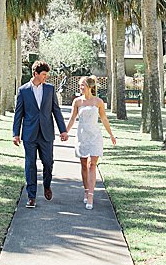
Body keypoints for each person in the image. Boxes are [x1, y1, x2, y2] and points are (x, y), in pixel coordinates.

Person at [12, 60, 68, 208]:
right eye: (43, 75)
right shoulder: (23, 91)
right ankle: (31, 196)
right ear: (35, 74)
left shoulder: (50, 89)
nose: (45, 77)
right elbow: (19, 113)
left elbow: (56, 110)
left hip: (46, 133)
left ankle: (47, 185)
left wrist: (63, 130)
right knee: (30, 164)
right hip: (29, 134)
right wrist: (15, 133)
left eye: (46, 75)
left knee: (48, 163)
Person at [63, 75, 117, 210]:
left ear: (89, 86)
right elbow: (72, 119)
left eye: (83, 85)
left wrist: (111, 134)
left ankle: (91, 195)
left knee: (92, 164)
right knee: (83, 165)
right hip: (82, 136)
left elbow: (104, 119)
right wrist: (65, 132)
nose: (81, 87)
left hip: (95, 136)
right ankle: (86, 190)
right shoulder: (77, 102)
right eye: (80, 85)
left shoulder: (98, 102)